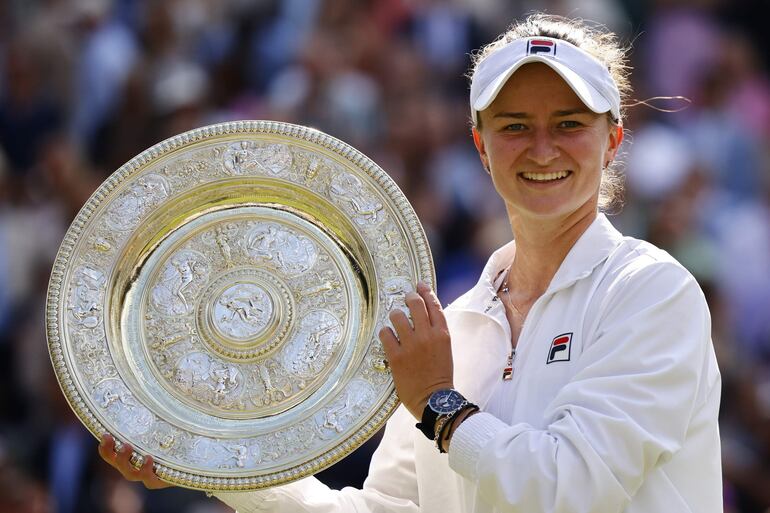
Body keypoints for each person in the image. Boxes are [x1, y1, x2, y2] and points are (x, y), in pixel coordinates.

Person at [99, 13, 722, 512]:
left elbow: (569, 490)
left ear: (612, 138)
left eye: (568, 123)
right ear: (480, 145)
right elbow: (383, 510)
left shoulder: (653, 293)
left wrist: (438, 404)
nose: (541, 148)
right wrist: (208, 463)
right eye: (513, 126)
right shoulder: (449, 327)